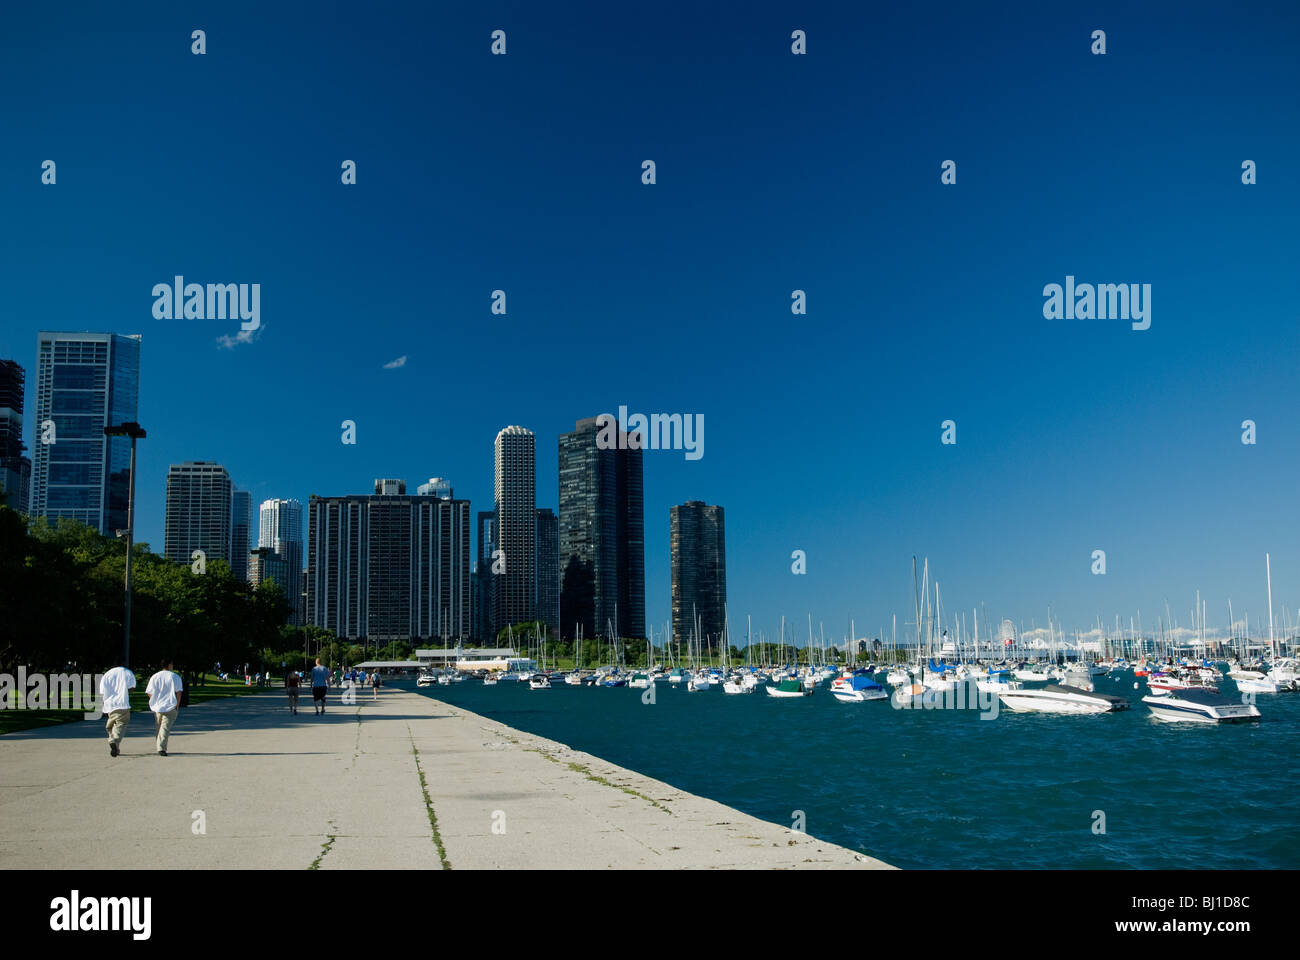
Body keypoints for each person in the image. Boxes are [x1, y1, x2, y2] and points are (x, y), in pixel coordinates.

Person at [146, 660, 184, 756]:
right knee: (165, 728)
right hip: (170, 705)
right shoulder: (175, 677)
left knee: (159, 727)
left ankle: (159, 745)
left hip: (158, 706)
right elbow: (179, 692)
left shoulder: (155, 676)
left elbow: (149, 691)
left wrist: (154, 700)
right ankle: (161, 748)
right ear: (169, 665)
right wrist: (177, 705)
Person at [98, 664, 137, 757]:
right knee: (121, 725)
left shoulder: (106, 675)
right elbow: (132, 687)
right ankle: (114, 741)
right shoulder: (128, 672)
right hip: (122, 703)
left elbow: (102, 692)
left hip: (110, 705)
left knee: (111, 727)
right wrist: (125, 692)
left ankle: (116, 748)